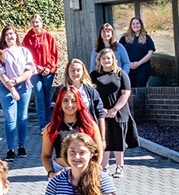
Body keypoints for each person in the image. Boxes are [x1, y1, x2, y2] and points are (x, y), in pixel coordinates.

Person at [0, 25, 36, 162]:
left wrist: (17, 80)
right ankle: (10, 148)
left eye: (12, 34)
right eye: (7, 34)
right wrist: (12, 89)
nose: (10, 37)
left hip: (23, 85)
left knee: (22, 117)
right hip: (6, 87)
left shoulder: (24, 51)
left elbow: (29, 70)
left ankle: (21, 146)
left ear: (16, 36)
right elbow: (1, 74)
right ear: (3, 37)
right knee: (10, 117)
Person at [91, 47, 137, 177]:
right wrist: (101, 109)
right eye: (103, 58)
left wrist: (114, 109)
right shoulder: (94, 75)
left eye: (109, 58)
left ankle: (119, 167)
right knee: (103, 139)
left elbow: (126, 93)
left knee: (118, 140)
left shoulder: (121, 74)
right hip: (101, 112)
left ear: (113, 60)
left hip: (119, 112)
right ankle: (104, 168)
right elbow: (91, 94)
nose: (106, 60)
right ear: (99, 60)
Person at [42, 84, 101, 175]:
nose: (69, 104)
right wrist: (50, 173)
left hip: (85, 172)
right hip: (59, 171)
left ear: (79, 102)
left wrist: (93, 170)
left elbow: (99, 151)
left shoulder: (90, 125)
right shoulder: (51, 127)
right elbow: (45, 156)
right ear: (59, 103)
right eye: (65, 100)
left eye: (73, 101)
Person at [23, 13, 60, 135]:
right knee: (39, 95)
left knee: (47, 96)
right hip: (34, 71)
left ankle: (50, 123)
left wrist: (48, 67)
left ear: (41, 23)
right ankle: (43, 125)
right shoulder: (27, 38)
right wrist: (36, 67)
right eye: (33, 22)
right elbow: (26, 55)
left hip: (48, 71)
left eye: (37, 22)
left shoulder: (48, 36)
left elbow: (54, 53)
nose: (35, 24)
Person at [56, 58, 107, 143]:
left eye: (78, 70)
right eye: (72, 70)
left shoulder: (91, 91)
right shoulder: (60, 91)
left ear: (83, 72)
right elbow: (55, 112)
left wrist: (102, 138)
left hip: (88, 130)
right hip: (67, 131)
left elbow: (100, 114)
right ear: (67, 72)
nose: (75, 73)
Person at [120, 16, 156, 89]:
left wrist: (139, 63)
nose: (135, 25)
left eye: (137, 23)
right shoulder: (124, 37)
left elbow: (150, 53)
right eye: (133, 24)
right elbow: (119, 52)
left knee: (140, 87)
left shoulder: (147, 38)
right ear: (130, 25)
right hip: (128, 68)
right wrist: (128, 63)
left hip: (143, 68)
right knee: (129, 88)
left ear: (141, 25)